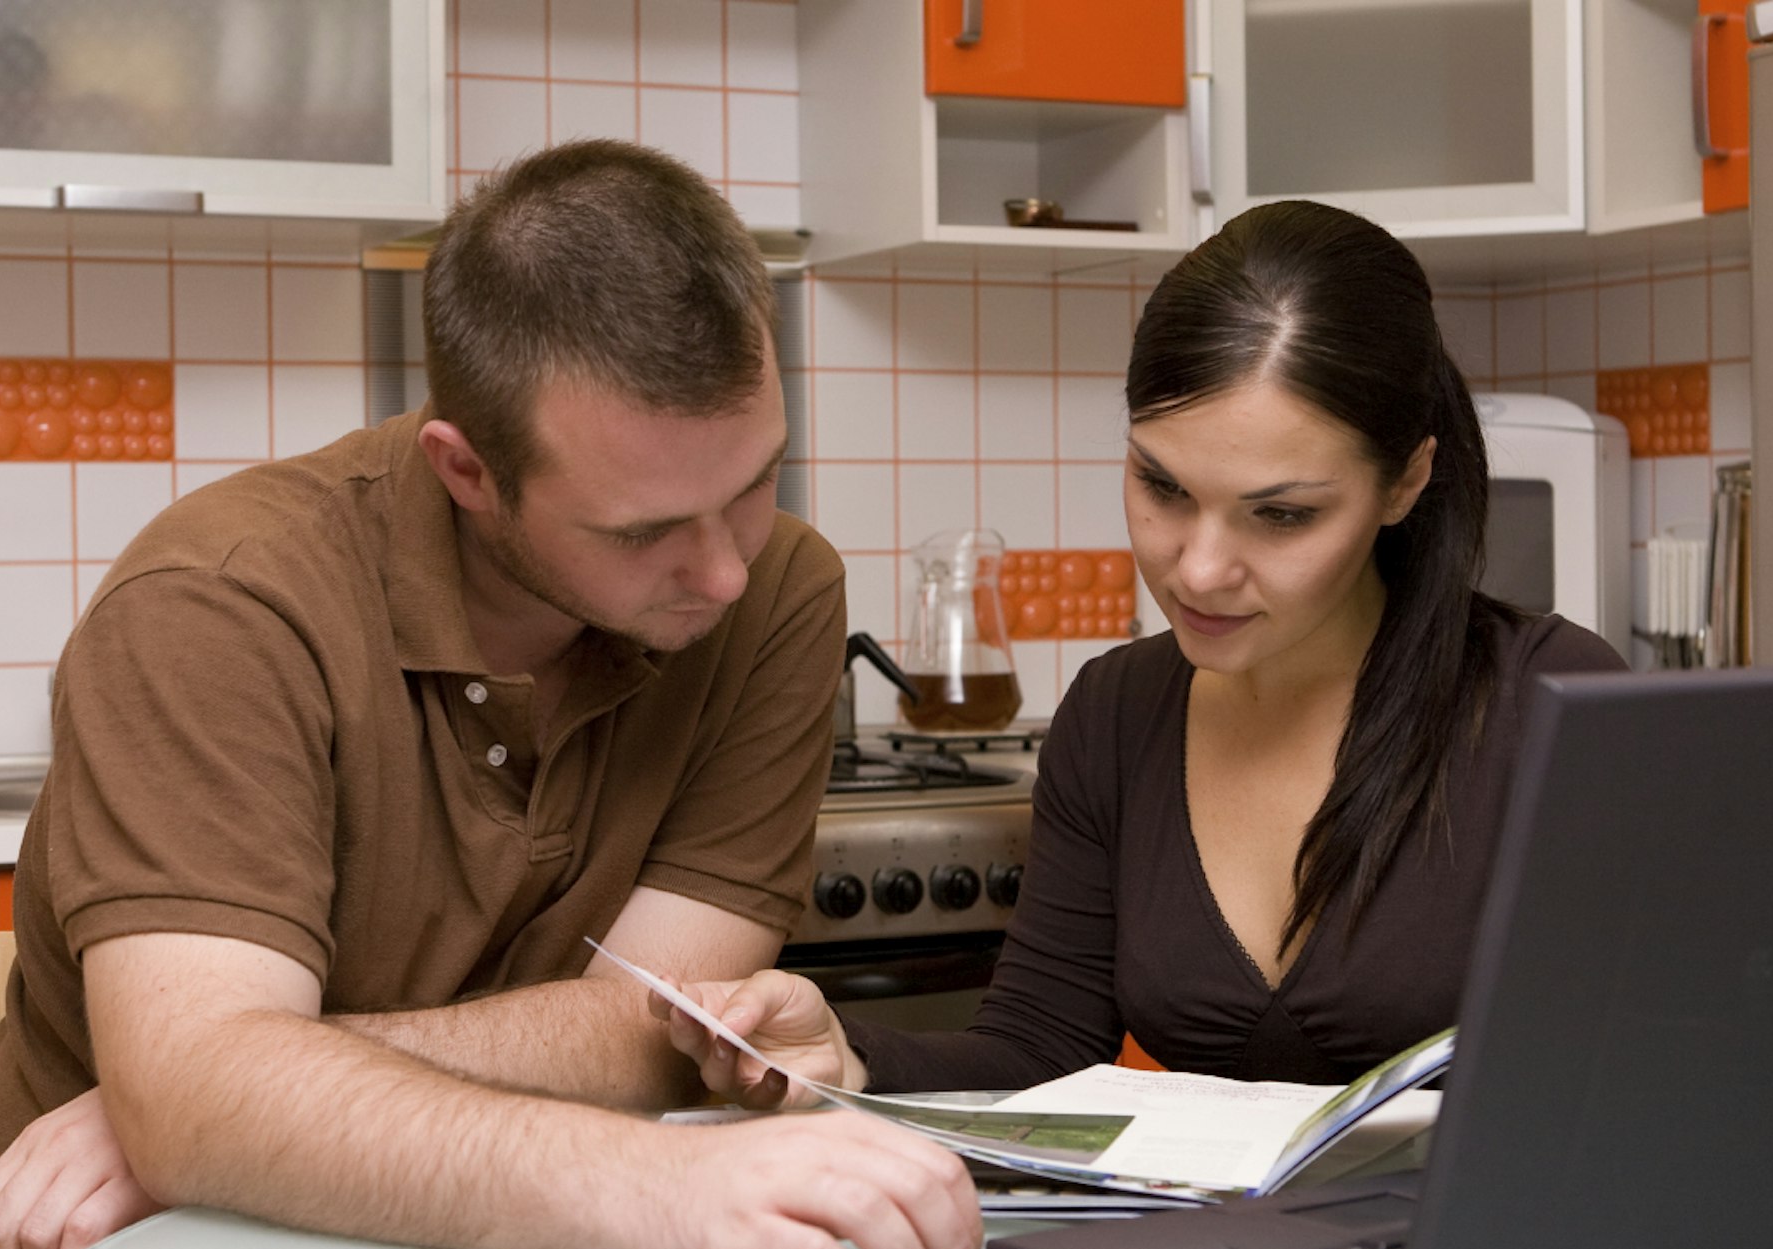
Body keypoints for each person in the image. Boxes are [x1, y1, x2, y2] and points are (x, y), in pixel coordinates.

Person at [0, 141, 979, 1249]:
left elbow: (665, 1022)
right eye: (642, 530)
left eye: (753, 480)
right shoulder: (220, 604)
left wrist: (221, 1104)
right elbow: (618, 1051)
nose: (725, 567)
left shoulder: (776, 593)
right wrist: (205, 1104)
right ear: (466, 469)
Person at [664, 199, 1627, 1106]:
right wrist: (849, 1056)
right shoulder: (1116, 714)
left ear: (1406, 481)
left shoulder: (1551, 704)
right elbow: (1037, 1054)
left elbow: (1648, 1076)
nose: (1198, 571)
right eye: (1161, 487)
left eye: (1281, 514)